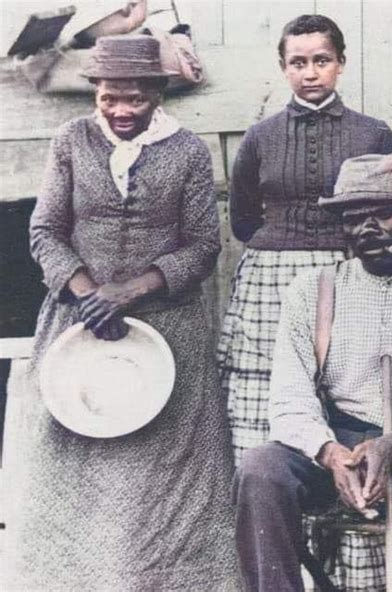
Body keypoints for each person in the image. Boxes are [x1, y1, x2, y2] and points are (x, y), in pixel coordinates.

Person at [4, 35, 240, 591]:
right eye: (109, 98)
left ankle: (169, 580)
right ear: (95, 94)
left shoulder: (187, 151)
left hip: (167, 327)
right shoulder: (71, 141)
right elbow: (45, 231)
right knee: (78, 458)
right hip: (78, 326)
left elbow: (202, 245)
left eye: (134, 98)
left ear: (158, 92)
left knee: (161, 475)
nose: (121, 110)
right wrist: (89, 294)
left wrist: (127, 292)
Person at [233, 153, 392, 592]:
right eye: (353, 218)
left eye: (382, 215)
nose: (368, 230)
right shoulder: (312, 293)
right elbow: (288, 401)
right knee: (260, 467)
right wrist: (327, 451)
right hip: (337, 445)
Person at [218, 14, 392, 463]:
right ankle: (269, 486)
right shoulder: (261, 136)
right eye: (297, 62)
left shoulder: (372, 133)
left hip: (347, 272)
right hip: (271, 276)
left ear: (341, 62)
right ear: (283, 68)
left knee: (345, 380)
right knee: (271, 381)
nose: (310, 72)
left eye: (321, 60)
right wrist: (278, 242)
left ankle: (353, 496)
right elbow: (242, 216)